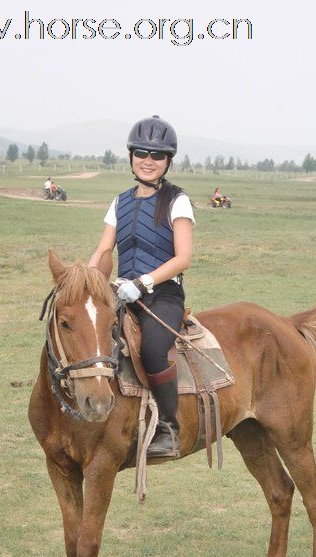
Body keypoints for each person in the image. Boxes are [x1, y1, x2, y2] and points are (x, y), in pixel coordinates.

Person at [89, 115, 194, 458]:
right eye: (142, 153)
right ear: (131, 156)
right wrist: (86, 280)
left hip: (162, 294)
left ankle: (169, 428)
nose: (148, 160)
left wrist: (144, 281)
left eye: (158, 155)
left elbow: (183, 258)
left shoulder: (177, 200)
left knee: (151, 349)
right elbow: (105, 250)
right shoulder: (119, 202)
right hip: (121, 293)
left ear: (168, 161)